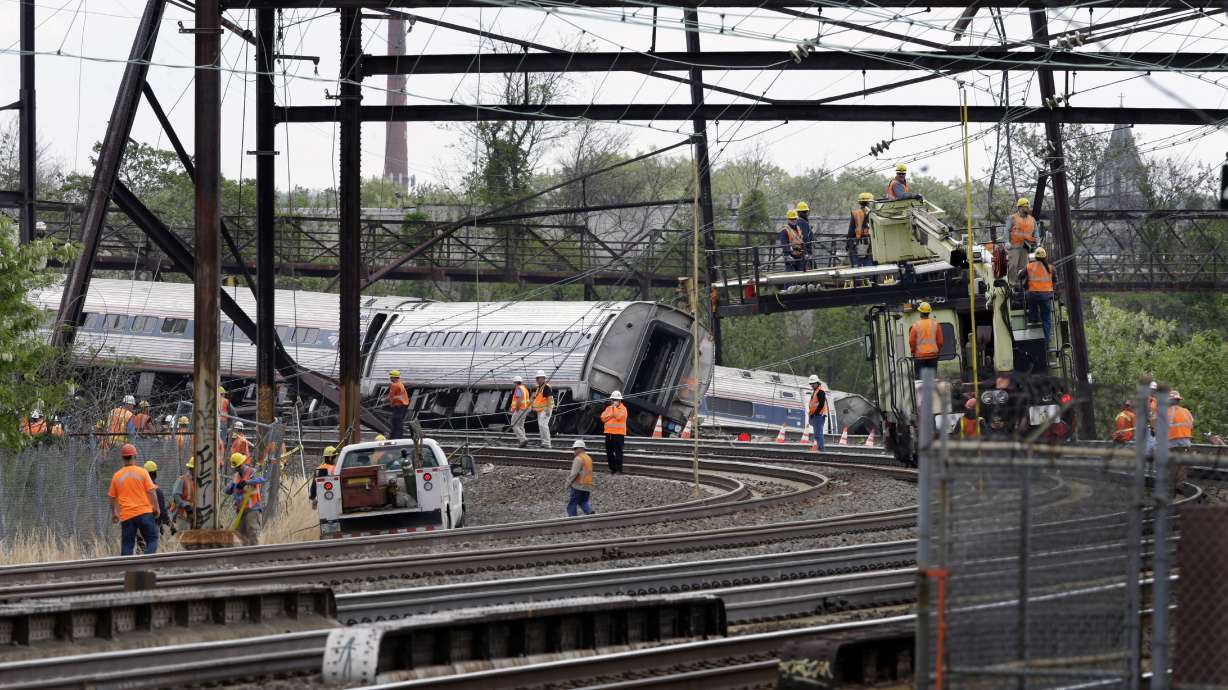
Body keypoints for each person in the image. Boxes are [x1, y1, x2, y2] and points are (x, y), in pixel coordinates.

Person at [107, 443, 160, 556]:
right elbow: (152, 492)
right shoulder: (143, 472)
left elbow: (112, 497)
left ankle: (128, 570)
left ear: (122, 458)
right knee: (152, 540)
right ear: (134, 456)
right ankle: (146, 562)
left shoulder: (117, 476)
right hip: (144, 512)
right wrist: (157, 508)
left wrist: (114, 514)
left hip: (127, 515)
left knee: (127, 546)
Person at [224, 451, 266, 545]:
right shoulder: (236, 476)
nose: (237, 469)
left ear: (242, 463)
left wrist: (247, 482)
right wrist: (231, 487)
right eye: (236, 468)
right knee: (241, 537)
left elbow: (262, 479)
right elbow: (227, 490)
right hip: (240, 512)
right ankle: (245, 558)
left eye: (238, 466)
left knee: (253, 535)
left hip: (252, 509)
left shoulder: (252, 472)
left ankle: (255, 557)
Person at [1020, 246, 1054, 347]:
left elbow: (1020, 276)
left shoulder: (1029, 266)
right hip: (1046, 296)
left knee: (1028, 295)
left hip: (1033, 295)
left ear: (1035, 257)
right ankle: (1047, 342)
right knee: (1046, 320)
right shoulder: (1051, 268)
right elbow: (1055, 281)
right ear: (1045, 257)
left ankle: (1033, 317)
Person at [908, 302, 944, 378]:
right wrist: (937, 351)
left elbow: (911, 341)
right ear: (929, 312)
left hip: (919, 357)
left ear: (920, 312)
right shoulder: (936, 324)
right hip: (933, 356)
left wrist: (913, 352)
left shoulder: (915, 326)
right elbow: (940, 341)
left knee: (921, 380)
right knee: (931, 379)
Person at [1005, 198, 1036, 281]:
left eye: (1028, 207)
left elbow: (1036, 232)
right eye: (1026, 207)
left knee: (1024, 266)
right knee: (1013, 265)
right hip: (1014, 246)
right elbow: (1006, 230)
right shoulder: (1012, 218)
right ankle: (1013, 284)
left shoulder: (1032, 219)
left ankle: (1023, 284)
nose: (1028, 209)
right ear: (1020, 207)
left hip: (1025, 246)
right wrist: (1007, 242)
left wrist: (1038, 242)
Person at [600, 391, 628, 474]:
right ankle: (613, 469)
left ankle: (619, 470)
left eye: (616, 399)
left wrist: (614, 409)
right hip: (609, 434)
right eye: (613, 399)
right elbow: (603, 418)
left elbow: (619, 417)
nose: (614, 401)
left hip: (619, 434)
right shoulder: (608, 408)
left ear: (620, 400)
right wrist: (612, 414)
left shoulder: (623, 409)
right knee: (609, 453)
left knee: (618, 452)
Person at [565, 439, 595, 517]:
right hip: (588, 485)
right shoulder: (588, 458)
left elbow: (574, 473)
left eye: (575, 449)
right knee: (583, 502)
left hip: (578, 485)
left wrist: (567, 484)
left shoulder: (578, 458)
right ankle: (590, 513)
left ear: (580, 448)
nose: (574, 451)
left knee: (571, 505)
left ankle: (573, 521)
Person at [143, 461, 170, 539]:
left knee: (141, 548)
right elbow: (162, 512)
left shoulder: (139, 488)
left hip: (140, 525)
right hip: (154, 525)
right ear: (155, 474)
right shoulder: (156, 490)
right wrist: (170, 525)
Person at [847, 192, 875, 267]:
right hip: (871, 246)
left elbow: (851, 231)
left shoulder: (856, 213)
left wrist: (848, 244)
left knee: (857, 270)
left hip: (857, 244)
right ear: (869, 203)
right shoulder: (873, 214)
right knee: (871, 269)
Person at [170, 459, 196, 534]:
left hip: (193, 516)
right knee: (183, 537)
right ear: (192, 469)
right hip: (182, 515)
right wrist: (185, 505)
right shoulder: (182, 480)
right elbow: (176, 495)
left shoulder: (198, 481)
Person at [531, 370, 555, 449]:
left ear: (543, 378)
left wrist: (548, 409)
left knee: (543, 425)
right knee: (541, 426)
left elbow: (548, 398)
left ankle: (547, 443)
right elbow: (539, 399)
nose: (537, 380)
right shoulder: (539, 388)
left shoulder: (546, 387)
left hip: (546, 409)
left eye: (538, 378)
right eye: (536, 378)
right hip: (541, 410)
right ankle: (544, 442)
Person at [779, 210, 807, 274]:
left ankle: (800, 284)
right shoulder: (785, 230)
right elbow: (784, 244)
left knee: (801, 274)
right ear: (788, 220)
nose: (794, 220)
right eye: (792, 219)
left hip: (800, 255)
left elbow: (801, 241)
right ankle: (788, 284)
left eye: (795, 219)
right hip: (791, 256)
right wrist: (787, 255)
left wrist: (805, 253)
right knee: (790, 275)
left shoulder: (798, 228)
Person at [807, 375, 828, 452]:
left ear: (817, 383)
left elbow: (821, 404)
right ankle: (820, 449)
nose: (812, 385)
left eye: (813, 383)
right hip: (815, 415)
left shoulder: (820, 391)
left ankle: (822, 450)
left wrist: (815, 413)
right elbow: (813, 404)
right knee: (817, 434)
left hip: (819, 415)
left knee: (818, 434)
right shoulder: (815, 391)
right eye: (811, 384)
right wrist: (811, 415)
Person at [387, 370, 410, 439]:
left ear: (394, 377)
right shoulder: (400, 384)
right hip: (403, 405)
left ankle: (396, 437)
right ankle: (396, 436)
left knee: (395, 421)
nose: (390, 378)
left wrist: (390, 404)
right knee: (398, 421)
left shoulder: (394, 385)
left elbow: (391, 396)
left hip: (398, 405)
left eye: (391, 376)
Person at [509, 375, 531, 447]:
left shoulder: (518, 389)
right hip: (525, 409)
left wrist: (516, 409)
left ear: (515, 382)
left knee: (514, 424)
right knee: (521, 426)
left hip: (520, 409)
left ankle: (523, 439)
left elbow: (518, 400)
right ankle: (524, 440)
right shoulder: (525, 389)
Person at [794, 201, 815, 269]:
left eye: (806, 211)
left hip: (803, 250)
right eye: (804, 212)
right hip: (805, 251)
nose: (806, 213)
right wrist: (806, 253)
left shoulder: (801, 222)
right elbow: (804, 237)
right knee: (812, 268)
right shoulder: (802, 222)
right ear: (799, 213)